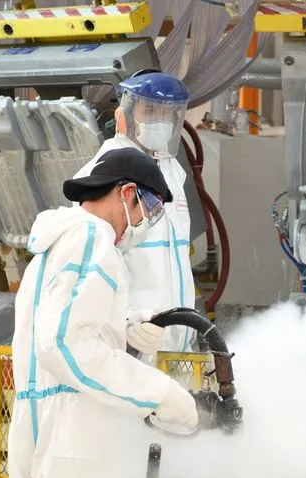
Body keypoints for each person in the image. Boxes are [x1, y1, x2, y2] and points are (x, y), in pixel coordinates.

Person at [8, 148, 199, 478]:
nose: (144, 222)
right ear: (127, 193)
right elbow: (66, 344)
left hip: (35, 427)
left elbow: (63, 330)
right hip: (77, 437)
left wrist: (127, 329)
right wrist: (163, 395)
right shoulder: (94, 238)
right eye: (149, 208)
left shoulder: (52, 247)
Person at [74, 70, 197, 360]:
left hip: (175, 346)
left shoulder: (171, 171)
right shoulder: (105, 174)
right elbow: (88, 269)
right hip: (131, 346)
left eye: (167, 113)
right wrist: (127, 321)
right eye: (150, 110)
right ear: (126, 115)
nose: (160, 120)